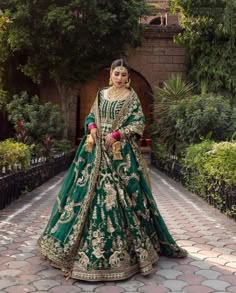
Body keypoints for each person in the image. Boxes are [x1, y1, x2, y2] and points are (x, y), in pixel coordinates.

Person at [37, 59, 187, 282]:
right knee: (82, 195)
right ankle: (73, 250)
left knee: (125, 197)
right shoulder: (100, 95)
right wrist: (92, 127)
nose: (120, 78)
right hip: (95, 153)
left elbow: (138, 123)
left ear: (128, 78)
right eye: (117, 74)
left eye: (124, 75)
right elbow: (90, 116)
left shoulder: (131, 98)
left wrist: (116, 135)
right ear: (111, 75)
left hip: (120, 156)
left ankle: (126, 256)